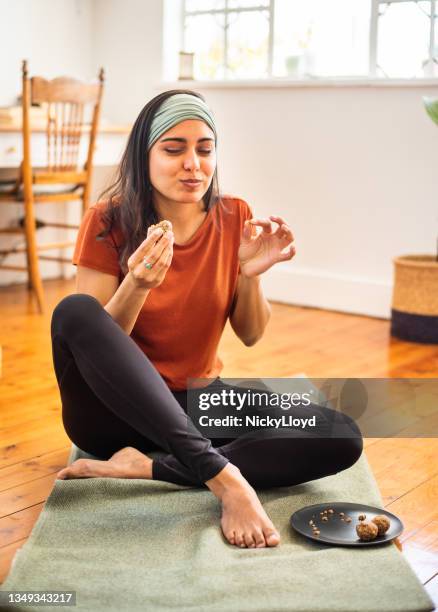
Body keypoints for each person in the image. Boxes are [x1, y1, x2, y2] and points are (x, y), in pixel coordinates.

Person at [51, 90, 363, 550]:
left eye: (205, 149)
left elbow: (252, 334)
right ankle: (223, 478)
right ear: (145, 155)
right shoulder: (107, 219)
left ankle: (150, 468)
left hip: (195, 399)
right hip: (111, 412)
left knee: (341, 433)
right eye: (174, 149)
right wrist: (136, 283)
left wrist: (250, 274)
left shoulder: (235, 215)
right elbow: (97, 343)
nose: (192, 164)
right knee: (75, 311)